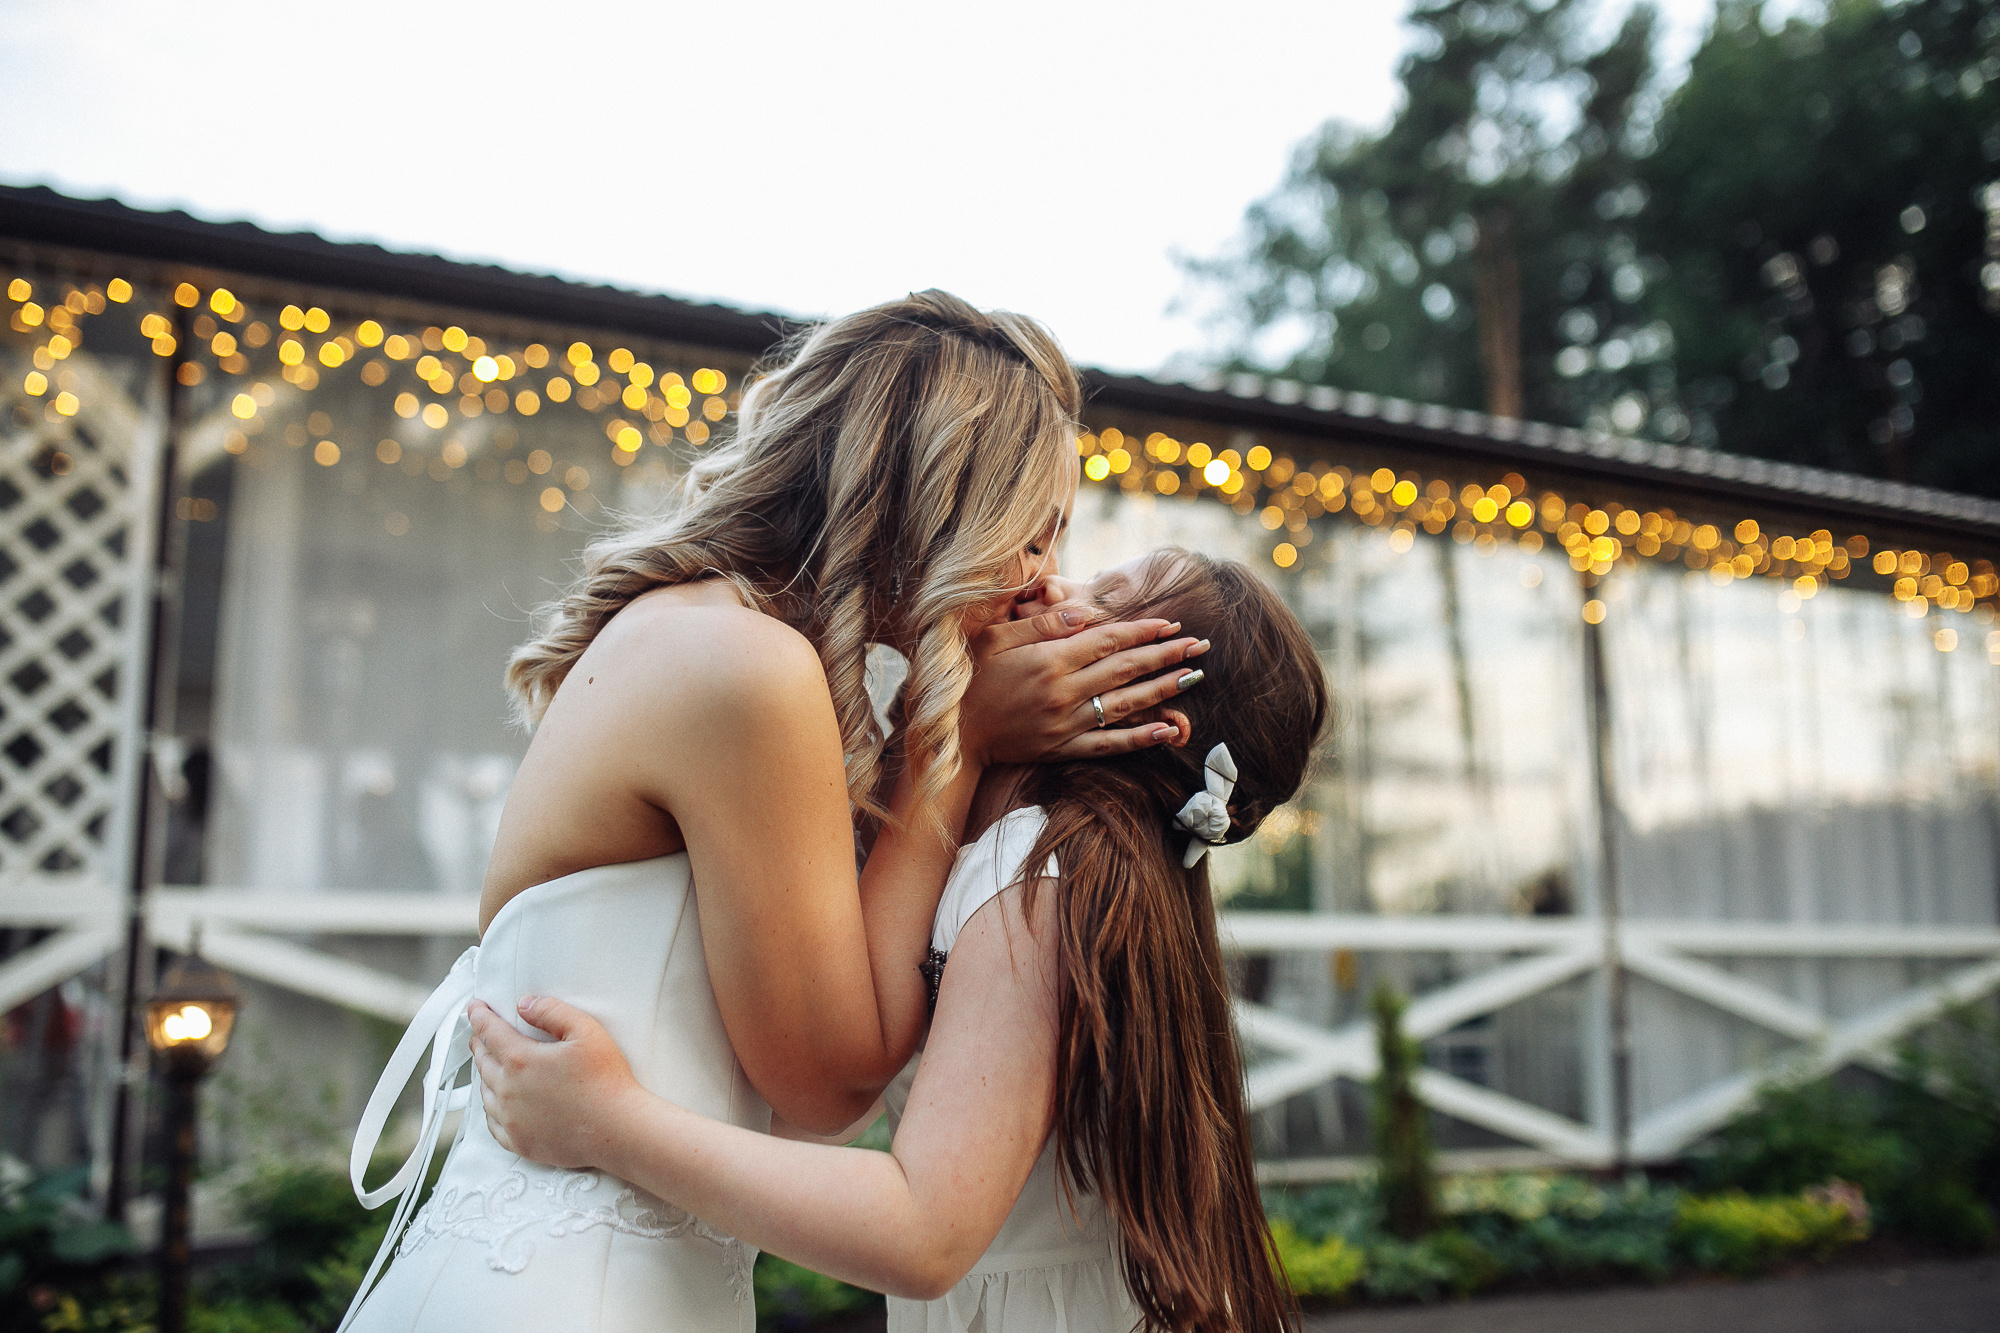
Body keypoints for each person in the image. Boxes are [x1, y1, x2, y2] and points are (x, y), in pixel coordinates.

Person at [339, 292, 1208, 1333]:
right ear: (937, 506)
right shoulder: (748, 672)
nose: (1042, 583)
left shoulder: (707, 636)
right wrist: (956, 746)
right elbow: (825, 1087)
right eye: (1032, 535)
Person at [471, 549, 1329, 1333]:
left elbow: (922, 1230)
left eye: (1102, 597)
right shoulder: (1014, 860)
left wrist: (610, 1122)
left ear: (1146, 703)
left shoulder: (1039, 875)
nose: (1048, 582)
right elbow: (830, 1108)